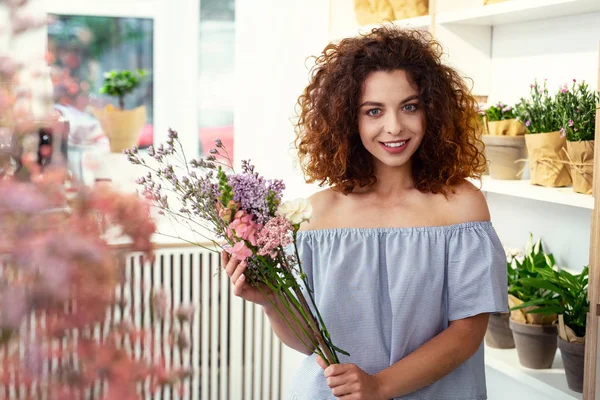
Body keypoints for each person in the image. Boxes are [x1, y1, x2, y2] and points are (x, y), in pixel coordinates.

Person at [223, 26, 508, 400]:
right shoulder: (316, 215)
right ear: (347, 120)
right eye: (374, 111)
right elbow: (311, 342)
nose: (394, 127)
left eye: (410, 106)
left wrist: (380, 386)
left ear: (433, 111)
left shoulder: (461, 207)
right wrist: (271, 301)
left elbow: (467, 333)